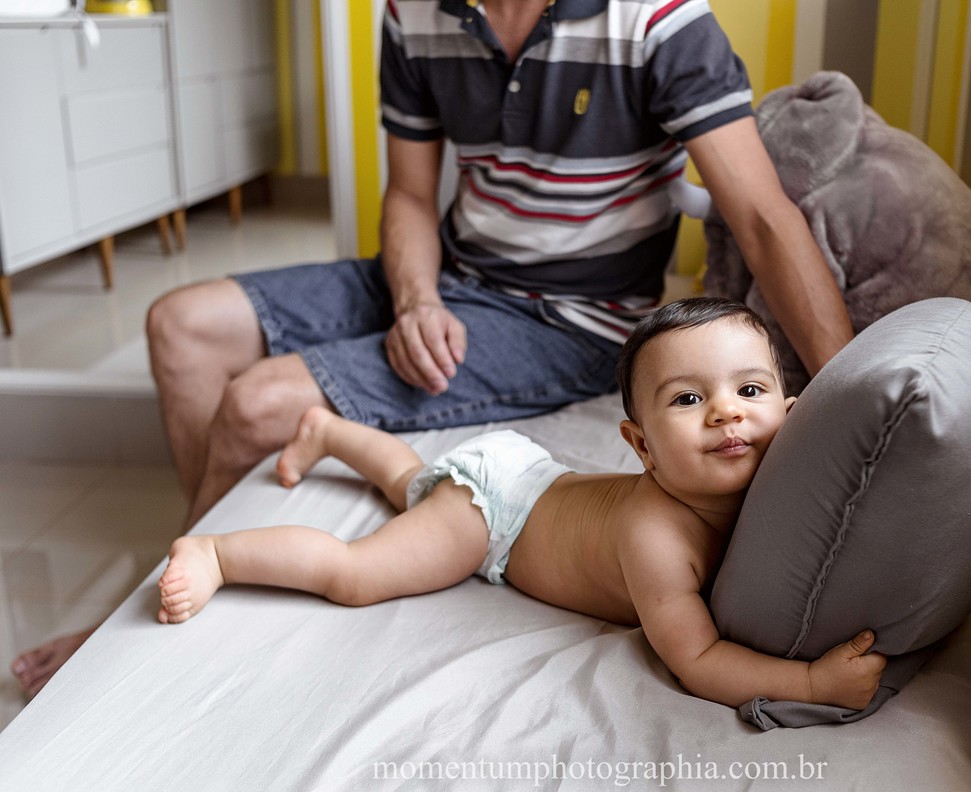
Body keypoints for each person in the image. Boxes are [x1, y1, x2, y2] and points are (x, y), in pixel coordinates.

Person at [13, 0, 853, 696]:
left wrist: (858, 391)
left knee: (257, 402)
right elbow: (411, 194)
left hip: (569, 315)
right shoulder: (412, 13)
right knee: (180, 321)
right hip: (450, 272)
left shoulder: (658, 22)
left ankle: (140, 629)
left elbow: (764, 218)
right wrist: (415, 299)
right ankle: (183, 567)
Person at [155, 299, 885, 709]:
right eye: (689, 399)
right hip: (497, 516)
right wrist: (809, 683)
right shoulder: (655, 533)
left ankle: (329, 431)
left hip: (530, 475)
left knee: (415, 483)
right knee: (359, 572)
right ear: (640, 446)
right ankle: (219, 550)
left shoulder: (781, 472)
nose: (728, 413)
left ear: (792, 410)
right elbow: (696, 657)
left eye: (750, 391)